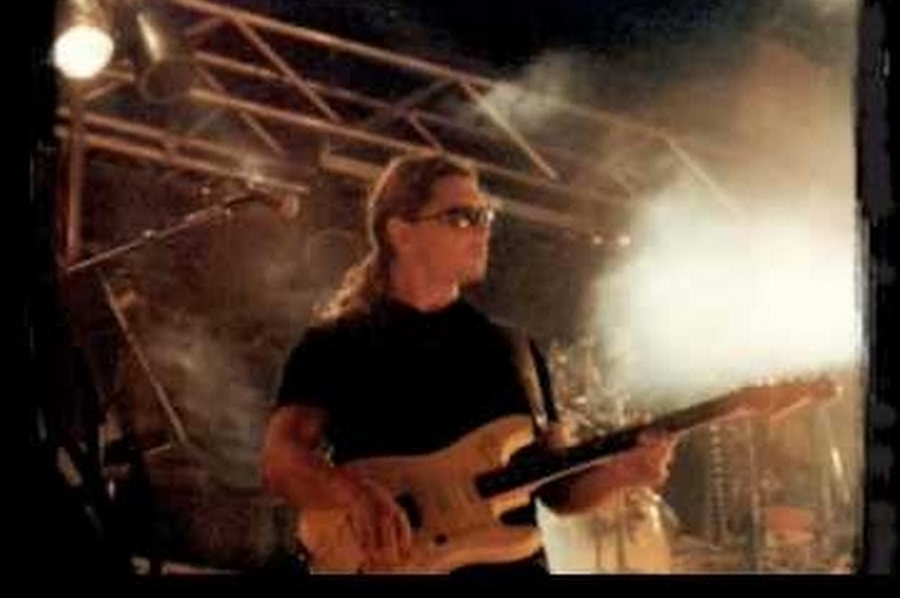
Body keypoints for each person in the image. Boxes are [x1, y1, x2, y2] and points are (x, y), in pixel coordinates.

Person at [261, 151, 676, 574]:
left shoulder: (513, 350)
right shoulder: (336, 344)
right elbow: (281, 460)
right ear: (402, 233)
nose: (482, 231)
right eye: (461, 217)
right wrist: (355, 494)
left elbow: (558, 489)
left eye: (485, 216)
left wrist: (623, 473)